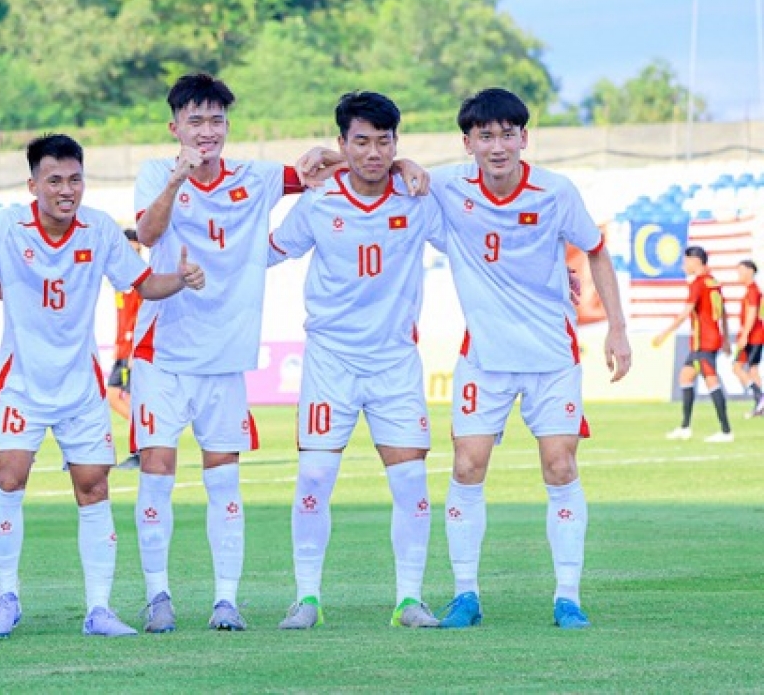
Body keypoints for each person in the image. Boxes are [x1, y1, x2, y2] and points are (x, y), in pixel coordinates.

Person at [131, 73, 426, 633]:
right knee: (158, 472)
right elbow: (147, 234)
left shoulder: (256, 177)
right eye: (195, 121)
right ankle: (157, 595)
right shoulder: (156, 172)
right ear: (175, 128)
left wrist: (403, 163)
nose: (207, 131)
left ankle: (225, 600)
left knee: (224, 480)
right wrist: (176, 181)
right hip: (163, 351)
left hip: (228, 356)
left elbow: (330, 166)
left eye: (216, 120)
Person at [0, 133, 205, 639]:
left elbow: (143, 286)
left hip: (80, 388)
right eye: (54, 180)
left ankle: (98, 610)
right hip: (21, 386)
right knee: (7, 481)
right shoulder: (7, 228)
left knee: (94, 488)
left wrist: (181, 280)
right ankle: (6, 598)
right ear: (32, 184)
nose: (66, 190)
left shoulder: (98, 229)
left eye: (75, 179)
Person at [423, 88, 632, 630]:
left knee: (560, 465)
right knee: (467, 467)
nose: (497, 146)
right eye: (485, 136)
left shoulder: (555, 191)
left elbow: (596, 249)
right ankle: (465, 595)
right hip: (485, 357)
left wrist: (617, 329)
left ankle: (568, 597)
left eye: (507, 134)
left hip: (550, 356)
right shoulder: (447, 183)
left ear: (524, 138)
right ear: (467, 142)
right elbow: (391, 169)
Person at [268, 91, 442, 631]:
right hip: (330, 362)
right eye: (361, 141)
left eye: (385, 141)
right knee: (315, 478)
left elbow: (477, 244)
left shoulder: (417, 197)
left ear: (397, 143)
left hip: (394, 363)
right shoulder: (318, 201)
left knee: (411, 483)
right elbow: (267, 254)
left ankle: (409, 599)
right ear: (342, 144)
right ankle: (307, 598)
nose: (374, 152)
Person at [654, 246, 733, 442]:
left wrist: (664, 333)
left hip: (703, 341)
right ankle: (685, 427)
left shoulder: (698, 283)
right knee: (686, 376)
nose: (683, 265)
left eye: (685, 261)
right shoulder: (713, 281)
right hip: (710, 337)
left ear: (694, 261)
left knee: (711, 381)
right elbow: (723, 311)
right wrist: (725, 337)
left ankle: (726, 431)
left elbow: (686, 312)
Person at [110, 228, 143, 469]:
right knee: (112, 395)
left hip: (134, 349)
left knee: (130, 398)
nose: (135, 255)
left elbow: (142, 316)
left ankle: (142, 447)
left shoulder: (140, 280)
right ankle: (144, 438)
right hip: (122, 347)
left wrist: (134, 348)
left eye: (138, 250)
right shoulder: (119, 279)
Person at [731, 259, 764, 417]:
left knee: (738, 368)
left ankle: (759, 397)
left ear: (750, 271)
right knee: (751, 369)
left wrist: (744, 335)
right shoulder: (751, 290)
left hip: (753, 336)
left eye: (740, 270)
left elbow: (752, 313)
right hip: (753, 335)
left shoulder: (752, 291)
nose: (738, 274)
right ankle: (760, 404)